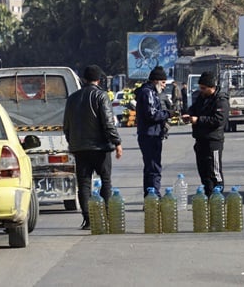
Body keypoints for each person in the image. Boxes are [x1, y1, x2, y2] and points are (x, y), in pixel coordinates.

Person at [63, 65, 123, 230]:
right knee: (105, 180)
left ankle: (88, 220)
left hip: (80, 148)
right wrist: (117, 142)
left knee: (84, 184)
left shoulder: (72, 98)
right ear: (98, 79)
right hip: (100, 148)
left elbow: (66, 126)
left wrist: (73, 142)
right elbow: (108, 123)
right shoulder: (101, 96)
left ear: (83, 79)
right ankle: (107, 217)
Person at [182, 71, 229, 197]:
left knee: (214, 172)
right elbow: (194, 108)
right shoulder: (201, 97)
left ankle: (218, 198)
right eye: (200, 88)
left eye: (204, 88)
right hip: (200, 139)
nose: (201, 90)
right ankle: (209, 196)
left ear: (212, 87)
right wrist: (189, 115)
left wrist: (199, 120)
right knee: (203, 172)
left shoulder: (221, 100)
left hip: (213, 141)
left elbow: (219, 120)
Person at [134, 66, 171, 197]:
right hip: (150, 135)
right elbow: (152, 114)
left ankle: (150, 196)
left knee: (151, 167)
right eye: (163, 82)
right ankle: (153, 196)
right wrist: (167, 114)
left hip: (152, 134)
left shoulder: (150, 92)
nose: (165, 86)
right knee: (154, 168)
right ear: (156, 81)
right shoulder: (148, 93)